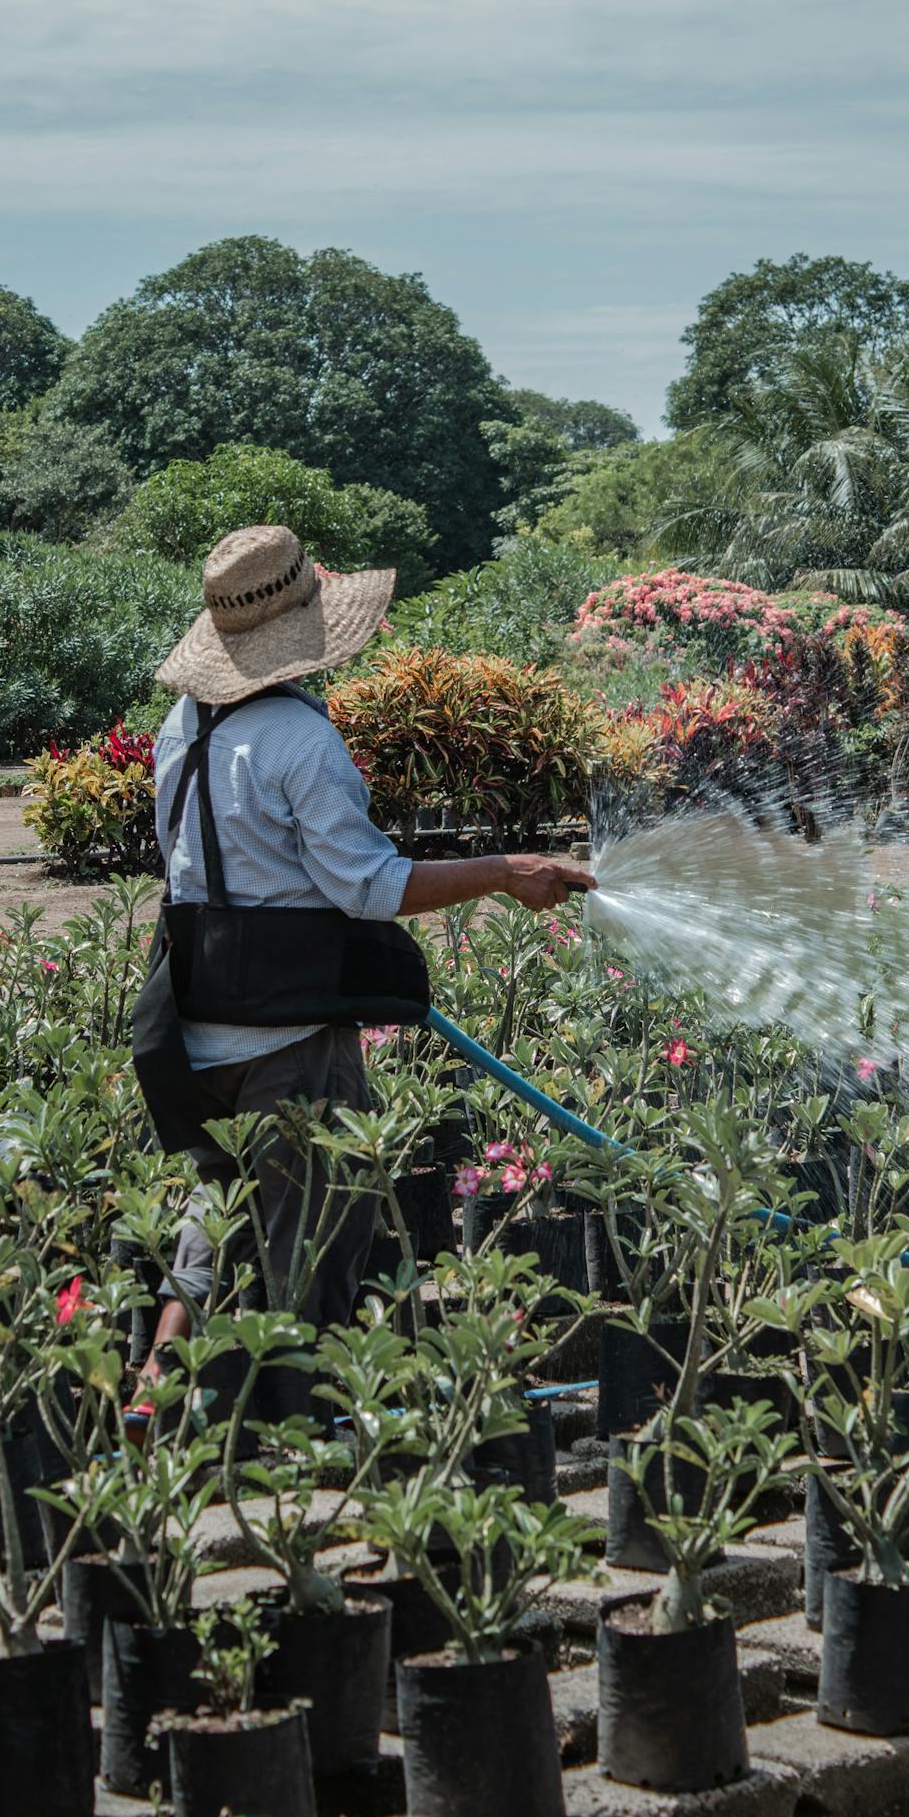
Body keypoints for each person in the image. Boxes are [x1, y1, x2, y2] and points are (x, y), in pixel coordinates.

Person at [131, 524, 593, 1396]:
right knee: (313, 1242)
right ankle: (295, 1443)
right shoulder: (299, 742)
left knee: (216, 1215)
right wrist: (505, 872)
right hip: (289, 1038)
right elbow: (368, 888)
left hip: (199, 1027)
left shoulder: (183, 725)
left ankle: (152, 1390)